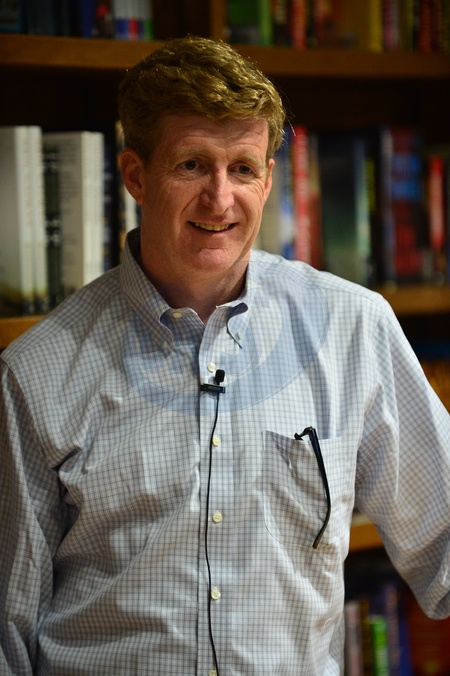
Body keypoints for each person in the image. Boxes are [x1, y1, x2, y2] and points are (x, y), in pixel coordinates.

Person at [0, 35, 449, 676]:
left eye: (242, 168)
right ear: (135, 176)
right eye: (191, 165)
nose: (219, 198)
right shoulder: (35, 372)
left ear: (268, 179)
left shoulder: (355, 330)